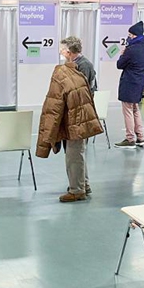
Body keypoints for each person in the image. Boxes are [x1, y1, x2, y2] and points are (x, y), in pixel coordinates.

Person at [36, 55, 103, 202]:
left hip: (75, 122)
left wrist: (48, 134)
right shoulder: (82, 72)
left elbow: (54, 108)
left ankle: (77, 190)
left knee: (73, 156)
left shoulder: (62, 77)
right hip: (83, 119)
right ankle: (84, 184)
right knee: (79, 154)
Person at [115, 20, 144, 148]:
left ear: (134, 35)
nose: (128, 37)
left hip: (129, 83)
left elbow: (120, 65)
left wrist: (122, 54)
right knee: (136, 110)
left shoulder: (130, 50)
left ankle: (130, 138)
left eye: (130, 35)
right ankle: (140, 137)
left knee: (128, 111)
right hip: (140, 83)